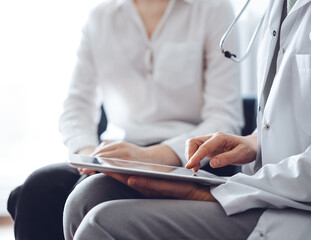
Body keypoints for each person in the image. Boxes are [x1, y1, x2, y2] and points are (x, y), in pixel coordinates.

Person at [63, 0, 311, 239]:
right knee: (85, 198)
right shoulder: (276, 6)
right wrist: (254, 141)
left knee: (101, 224)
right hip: (271, 185)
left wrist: (217, 190)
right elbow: (293, 116)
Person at [7, 0, 243, 239]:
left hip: (186, 158)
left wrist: (156, 155)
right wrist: (90, 157)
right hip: (116, 153)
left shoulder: (213, 9)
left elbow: (224, 117)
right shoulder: (100, 17)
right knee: (39, 187)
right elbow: (77, 105)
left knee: (92, 193)